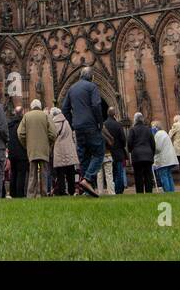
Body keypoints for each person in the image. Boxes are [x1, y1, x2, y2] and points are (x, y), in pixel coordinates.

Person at [65, 67, 104, 197]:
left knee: (84, 157)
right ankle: (87, 180)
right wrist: (99, 122)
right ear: (91, 77)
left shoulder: (71, 89)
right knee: (99, 153)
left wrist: (72, 124)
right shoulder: (91, 87)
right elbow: (96, 105)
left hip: (78, 127)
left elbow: (64, 109)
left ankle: (88, 189)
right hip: (90, 125)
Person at [18, 99, 55, 198]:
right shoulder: (46, 115)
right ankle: (44, 193)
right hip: (44, 149)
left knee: (32, 173)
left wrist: (26, 144)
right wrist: (49, 144)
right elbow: (53, 133)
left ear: (31, 107)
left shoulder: (26, 116)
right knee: (44, 172)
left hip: (32, 149)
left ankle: (31, 194)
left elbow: (20, 133)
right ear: (40, 106)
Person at [49, 106, 78, 195]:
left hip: (59, 150)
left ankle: (62, 191)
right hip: (69, 149)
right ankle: (72, 190)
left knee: (60, 172)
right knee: (70, 171)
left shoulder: (54, 123)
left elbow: (52, 136)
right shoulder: (66, 122)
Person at [127, 112, 156, 194]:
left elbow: (129, 143)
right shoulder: (148, 129)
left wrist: (131, 150)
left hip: (137, 155)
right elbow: (153, 143)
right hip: (148, 155)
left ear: (135, 120)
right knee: (148, 175)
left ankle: (140, 192)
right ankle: (149, 192)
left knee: (138, 175)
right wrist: (151, 153)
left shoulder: (132, 129)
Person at [104, 107, 130, 195]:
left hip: (108, 152)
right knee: (119, 172)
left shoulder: (104, 125)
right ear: (114, 115)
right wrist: (121, 146)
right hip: (118, 152)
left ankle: (112, 190)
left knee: (110, 173)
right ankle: (119, 190)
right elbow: (123, 139)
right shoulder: (118, 125)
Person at [7, 105, 28, 198]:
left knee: (13, 173)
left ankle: (12, 193)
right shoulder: (23, 124)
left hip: (12, 153)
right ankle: (20, 194)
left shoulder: (9, 124)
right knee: (21, 174)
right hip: (21, 152)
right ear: (22, 113)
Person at [152, 121, 178, 192]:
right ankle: (172, 191)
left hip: (163, 159)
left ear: (156, 127)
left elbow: (158, 148)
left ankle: (167, 192)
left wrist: (152, 151)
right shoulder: (164, 133)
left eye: (153, 127)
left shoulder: (158, 134)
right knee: (169, 175)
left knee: (164, 176)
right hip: (169, 158)